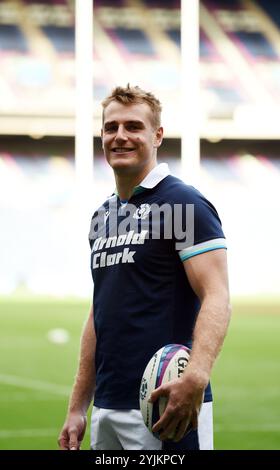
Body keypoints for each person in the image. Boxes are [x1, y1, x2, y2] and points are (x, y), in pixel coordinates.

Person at [58, 85, 231, 451]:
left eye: (133, 126)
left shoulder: (184, 203)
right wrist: (78, 405)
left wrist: (196, 377)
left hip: (165, 405)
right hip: (107, 406)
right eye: (111, 127)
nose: (120, 136)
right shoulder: (103, 215)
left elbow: (216, 295)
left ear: (157, 135)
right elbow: (99, 312)